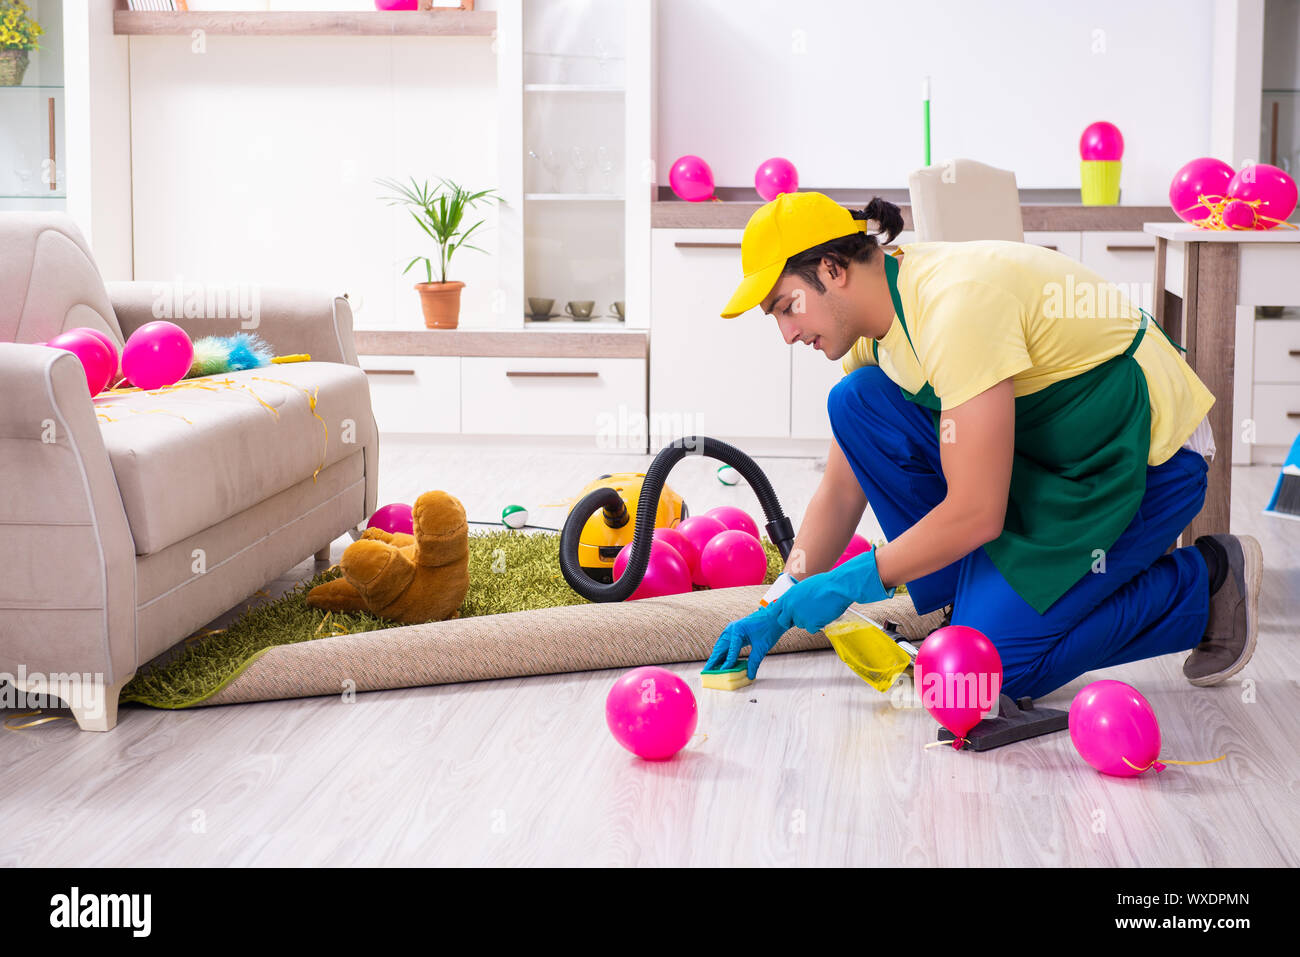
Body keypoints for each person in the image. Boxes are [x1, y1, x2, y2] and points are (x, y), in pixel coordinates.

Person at [704, 191, 1262, 701]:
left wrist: (856, 579)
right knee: (857, 402)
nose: (788, 334)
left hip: (1140, 461)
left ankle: (1205, 587)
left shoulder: (954, 308)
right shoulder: (873, 335)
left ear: (833, 269)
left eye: (787, 306)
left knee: (984, 675)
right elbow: (839, 489)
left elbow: (976, 511)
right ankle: (973, 594)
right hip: (1045, 459)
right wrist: (780, 599)